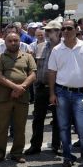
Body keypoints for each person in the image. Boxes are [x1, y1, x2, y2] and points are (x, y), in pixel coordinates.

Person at [48, 19, 83, 167]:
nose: (66, 31)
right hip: (62, 92)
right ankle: (67, 157)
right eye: (64, 29)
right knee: (63, 127)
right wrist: (52, 94)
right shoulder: (56, 50)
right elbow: (52, 73)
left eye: (69, 28)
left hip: (82, 93)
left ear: (76, 29)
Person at [0, 33, 36, 164]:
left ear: (19, 41)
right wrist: (16, 87)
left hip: (22, 97)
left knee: (20, 127)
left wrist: (21, 87)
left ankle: (17, 153)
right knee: (1, 127)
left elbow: (33, 74)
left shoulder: (27, 57)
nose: (13, 43)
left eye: (15, 40)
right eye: (10, 41)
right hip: (4, 98)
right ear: (5, 42)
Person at [24, 20, 61, 156]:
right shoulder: (40, 46)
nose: (46, 33)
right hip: (40, 87)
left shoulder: (63, 48)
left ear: (58, 32)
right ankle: (35, 145)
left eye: (50, 30)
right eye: (46, 30)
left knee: (58, 119)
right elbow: (37, 67)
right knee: (38, 119)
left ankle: (56, 146)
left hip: (57, 88)